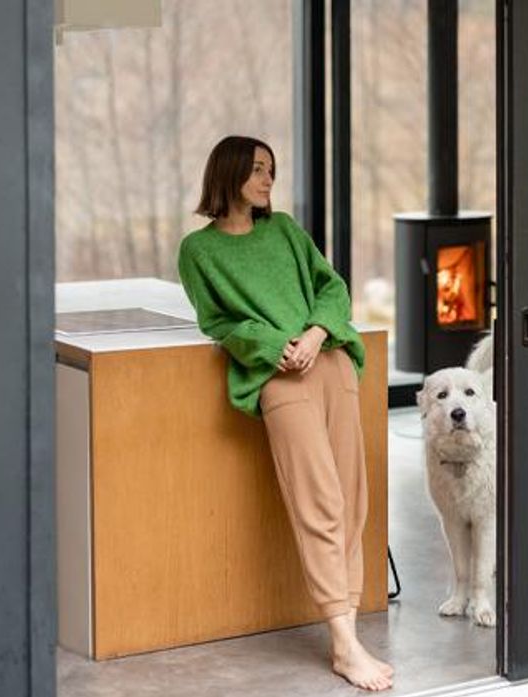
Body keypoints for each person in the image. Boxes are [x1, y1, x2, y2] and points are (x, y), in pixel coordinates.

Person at [177, 135, 394, 692]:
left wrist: (318, 332)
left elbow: (333, 287)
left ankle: (349, 635)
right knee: (319, 502)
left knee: (352, 500)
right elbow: (218, 324)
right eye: (256, 169)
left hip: (332, 363)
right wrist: (279, 346)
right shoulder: (200, 252)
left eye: (271, 169)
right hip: (280, 377)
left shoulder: (286, 231)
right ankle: (344, 645)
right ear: (227, 174)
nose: (268, 179)